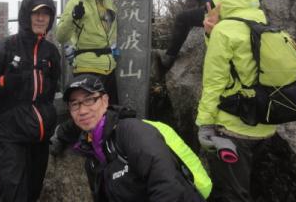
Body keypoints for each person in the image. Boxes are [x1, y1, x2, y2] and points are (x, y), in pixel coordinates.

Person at [196, 0, 276, 202]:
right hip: (265, 125)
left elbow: (214, 83)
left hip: (233, 129)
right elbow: (240, 68)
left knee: (233, 195)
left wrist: (204, 124)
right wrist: (211, 33)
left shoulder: (225, 32)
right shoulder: (264, 23)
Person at [61, 74, 207, 202]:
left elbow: (168, 185)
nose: (83, 110)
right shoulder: (91, 155)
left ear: (105, 101)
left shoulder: (131, 132)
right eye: (75, 104)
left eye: (89, 100)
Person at [0, 0, 61, 202]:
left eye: (46, 14)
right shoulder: (6, 47)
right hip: (10, 135)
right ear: (25, 16)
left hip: (39, 137)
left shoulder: (51, 52)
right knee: (14, 194)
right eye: (36, 13)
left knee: (32, 192)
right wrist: (3, 82)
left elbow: (52, 88)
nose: (41, 18)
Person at [56, 0, 118, 104]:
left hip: (109, 69)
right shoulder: (76, 2)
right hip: (86, 69)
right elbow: (60, 36)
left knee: (110, 115)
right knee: (89, 117)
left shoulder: (109, 3)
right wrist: (73, 18)